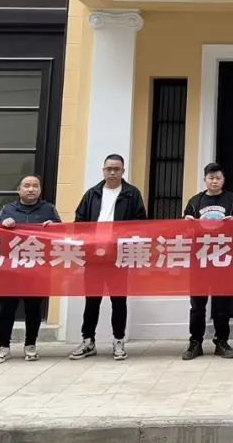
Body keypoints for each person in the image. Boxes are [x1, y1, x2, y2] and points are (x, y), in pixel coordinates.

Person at [69, 153, 147, 362]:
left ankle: (118, 340)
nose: (112, 173)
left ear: (123, 171)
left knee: (119, 300)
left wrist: (123, 240)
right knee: (91, 301)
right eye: (108, 169)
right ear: (103, 170)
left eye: (116, 169)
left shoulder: (131, 194)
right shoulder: (92, 194)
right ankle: (88, 340)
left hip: (118, 257)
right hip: (94, 257)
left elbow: (140, 223)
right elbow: (79, 221)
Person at [0, 175, 62, 364]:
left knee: (33, 309)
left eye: (35, 186)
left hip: (36, 269)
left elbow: (61, 235)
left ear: (40, 190)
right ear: (19, 190)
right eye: (27, 186)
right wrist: (3, 225)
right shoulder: (7, 209)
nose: (31, 189)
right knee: (7, 309)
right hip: (10, 269)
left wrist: (54, 227)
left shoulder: (49, 209)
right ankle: (3, 346)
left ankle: (30, 345)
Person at [182, 162, 233, 361]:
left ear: (223, 180)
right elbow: (184, 229)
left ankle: (222, 342)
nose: (214, 181)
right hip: (200, 260)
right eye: (211, 178)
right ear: (205, 180)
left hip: (223, 260)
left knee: (222, 305)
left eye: (218, 178)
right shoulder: (195, 202)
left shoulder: (232, 200)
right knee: (197, 306)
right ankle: (195, 342)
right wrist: (187, 224)